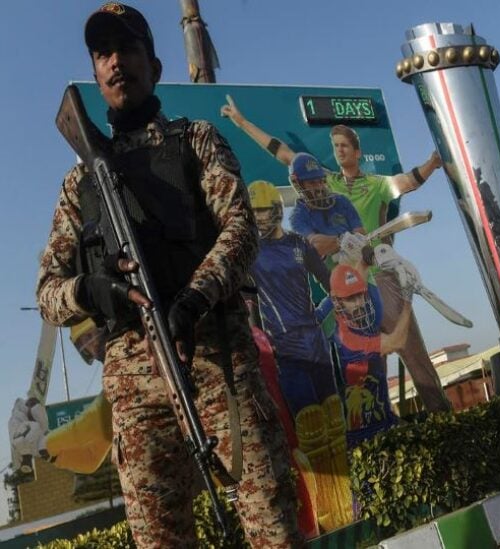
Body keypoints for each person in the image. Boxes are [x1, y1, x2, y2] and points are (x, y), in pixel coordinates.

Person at [36, 4, 298, 547]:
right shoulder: (77, 184)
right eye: (102, 53)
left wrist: (194, 298)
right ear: (94, 74)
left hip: (214, 359)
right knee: (160, 539)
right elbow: (46, 295)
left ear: (154, 66)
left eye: (127, 49)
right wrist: (90, 290)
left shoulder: (194, 141)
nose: (115, 62)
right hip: (133, 389)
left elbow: (241, 229)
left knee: (270, 522)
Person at [220, 98, 451, 413]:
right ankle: (379, 437)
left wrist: (433, 163)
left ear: (357, 152)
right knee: (366, 371)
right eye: (335, 145)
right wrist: (242, 122)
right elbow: (283, 152)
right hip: (347, 289)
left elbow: (408, 181)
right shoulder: (325, 182)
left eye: (345, 145)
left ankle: (443, 416)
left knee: (413, 352)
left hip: (382, 279)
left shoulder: (376, 185)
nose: (339, 150)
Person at [248, 180, 353, 531]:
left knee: (335, 425)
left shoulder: (298, 245)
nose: (260, 218)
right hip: (285, 352)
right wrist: (261, 344)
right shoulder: (249, 254)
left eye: (264, 211)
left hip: (317, 346)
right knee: (308, 430)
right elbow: (249, 309)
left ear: (277, 210)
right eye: (255, 213)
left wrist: (350, 274)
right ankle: (322, 517)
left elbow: (329, 283)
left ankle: (349, 507)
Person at [318, 264, 410, 448]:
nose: (360, 302)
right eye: (352, 298)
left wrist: (363, 260)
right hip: (362, 436)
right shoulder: (347, 339)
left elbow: (367, 282)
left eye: (360, 295)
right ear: (337, 303)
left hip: (384, 421)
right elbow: (396, 342)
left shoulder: (363, 321)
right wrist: (408, 298)